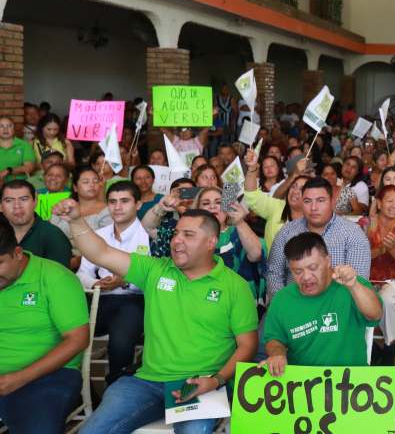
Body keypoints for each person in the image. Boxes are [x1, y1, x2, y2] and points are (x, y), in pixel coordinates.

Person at [58, 201, 257, 434]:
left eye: (188, 235)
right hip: (146, 382)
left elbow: (248, 345)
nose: (177, 240)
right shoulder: (155, 270)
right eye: (176, 233)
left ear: (211, 242)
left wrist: (216, 380)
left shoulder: (235, 286)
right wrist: (75, 221)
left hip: (201, 383)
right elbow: (100, 253)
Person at [0, 214, 89, 434]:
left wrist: (19, 378)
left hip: (47, 375)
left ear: (17, 253)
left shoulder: (54, 277)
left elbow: (78, 339)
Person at [261, 232, 382, 375]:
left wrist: (353, 286)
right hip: (302, 382)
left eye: (313, 268)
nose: (306, 277)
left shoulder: (351, 285)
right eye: (297, 271)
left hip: (350, 381)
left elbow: (375, 314)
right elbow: (274, 338)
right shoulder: (282, 300)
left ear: (328, 261)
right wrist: (277, 354)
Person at [75, 181, 147, 384]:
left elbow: (155, 278)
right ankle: (80, 389)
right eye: (112, 202)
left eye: (124, 201)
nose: (117, 207)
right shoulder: (99, 235)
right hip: (100, 299)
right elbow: (81, 273)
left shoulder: (147, 235)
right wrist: (95, 283)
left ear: (138, 204)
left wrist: (125, 282)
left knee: (121, 342)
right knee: (66, 330)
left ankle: (116, 386)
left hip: (134, 300)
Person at [267, 177, 372, 301]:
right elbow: (274, 274)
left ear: (332, 201)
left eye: (320, 200)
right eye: (307, 201)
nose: (313, 208)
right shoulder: (287, 232)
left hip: (337, 307)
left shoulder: (353, 234)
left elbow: (359, 283)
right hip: (294, 305)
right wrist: (283, 305)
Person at [192, 187, 265, 300]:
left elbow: (256, 254)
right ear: (197, 210)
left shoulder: (240, 231)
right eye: (206, 203)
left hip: (239, 298)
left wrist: (239, 222)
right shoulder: (189, 235)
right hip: (200, 298)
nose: (212, 206)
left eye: (219, 202)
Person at [243, 150, 309, 249]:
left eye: (301, 189)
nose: (295, 191)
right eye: (293, 186)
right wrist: (252, 168)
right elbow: (252, 196)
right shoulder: (277, 207)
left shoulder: (314, 217)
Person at [2, 179, 72, 268]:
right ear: (0, 206)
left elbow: (59, 274)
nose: (17, 206)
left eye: (24, 199)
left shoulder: (54, 235)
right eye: (9, 200)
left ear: (35, 201)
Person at [140, 178, 196, 259]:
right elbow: (147, 226)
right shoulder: (167, 223)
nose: (186, 199)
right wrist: (162, 205)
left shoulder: (206, 219)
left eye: (190, 193)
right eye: (181, 193)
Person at [0, 116, 36, 182]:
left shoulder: (24, 145)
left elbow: (29, 167)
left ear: (14, 129)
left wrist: (9, 170)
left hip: (19, 183)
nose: (5, 129)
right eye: (1, 126)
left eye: (9, 126)